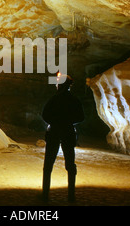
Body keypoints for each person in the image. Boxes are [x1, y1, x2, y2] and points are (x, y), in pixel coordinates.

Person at [41, 73, 84, 202]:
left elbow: (45, 115)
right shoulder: (74, 100)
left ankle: (45, 194)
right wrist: (68, 122)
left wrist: (54, 122)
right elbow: (81, 117)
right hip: (68, 132)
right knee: (70, 164)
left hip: (54, 131)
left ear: (60, 85)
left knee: (48, 164)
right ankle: (71, 195)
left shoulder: (54, 99)